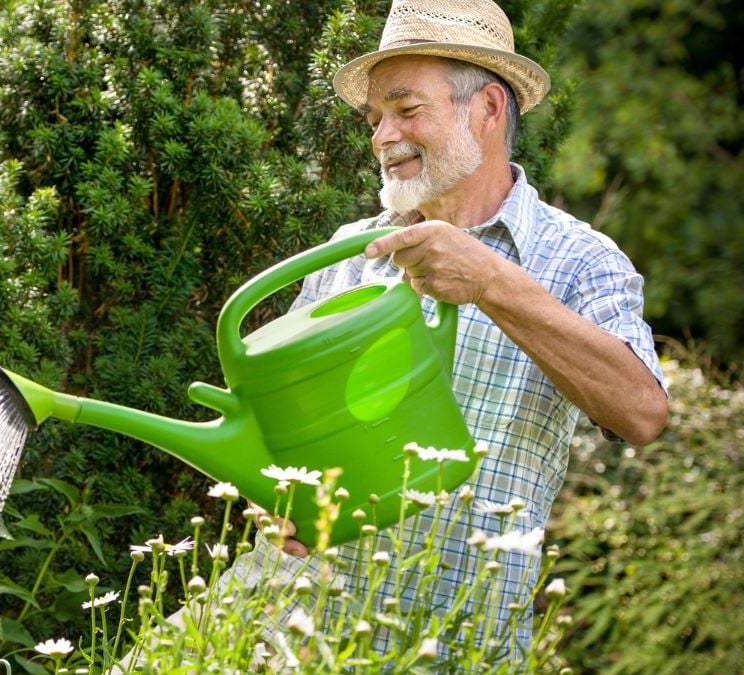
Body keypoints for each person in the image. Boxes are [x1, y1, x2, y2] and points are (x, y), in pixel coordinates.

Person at [196, 0, 669, 662]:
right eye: (375, 118)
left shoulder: (578, 259)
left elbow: (643, 411)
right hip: (297, 637)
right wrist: (274, 500)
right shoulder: (348, 253)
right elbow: (282, 443)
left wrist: (493, 282)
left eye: (407, 109)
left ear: (490, 110)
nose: (383, 135)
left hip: (458, 646)